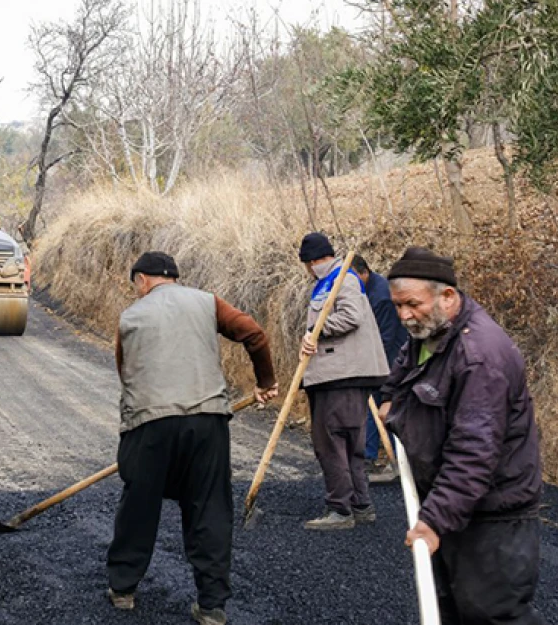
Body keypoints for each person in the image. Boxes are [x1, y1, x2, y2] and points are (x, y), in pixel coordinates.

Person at [107, 251, 278, 625]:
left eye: (136, 282)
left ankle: (123, 589)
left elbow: (125, 372)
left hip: (149, 425)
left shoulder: (130, 317)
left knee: (139, 506)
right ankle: (212, 605)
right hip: (207, 422)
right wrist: (265, 381)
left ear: (143, 280)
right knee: (209, 509)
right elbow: (254, 333)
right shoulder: (207, 302)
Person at [380, 247, 544, 625]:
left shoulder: (479, 356)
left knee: (493, 615)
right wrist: (390, 398)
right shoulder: (431, 332)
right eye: (397, 306)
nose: (404, 315)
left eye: (412, 304)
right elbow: (404, 366)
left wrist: (434, 520)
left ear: (447, 296)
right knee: (450, 610)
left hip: (491, 516)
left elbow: (473, 451)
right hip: (452, 503)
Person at [297, 233, 389, 530]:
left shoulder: (342, 279)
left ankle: (340, 510)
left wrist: (316, 330)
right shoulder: (336, 279)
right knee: (349, 441)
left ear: (311, 262)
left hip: (340, 374)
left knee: (332, 441)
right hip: (341, 373)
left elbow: (351, 315)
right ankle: (360, 504)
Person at [352, 255, 407, 483]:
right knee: (371, 405)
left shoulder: (381, 296)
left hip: (390, 359)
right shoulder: (365, 289)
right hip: (377, 359)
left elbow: (385, 337)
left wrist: (370, 363)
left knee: (389, 408)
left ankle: (398, 463)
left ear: (364, 272)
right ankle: (369, 455)